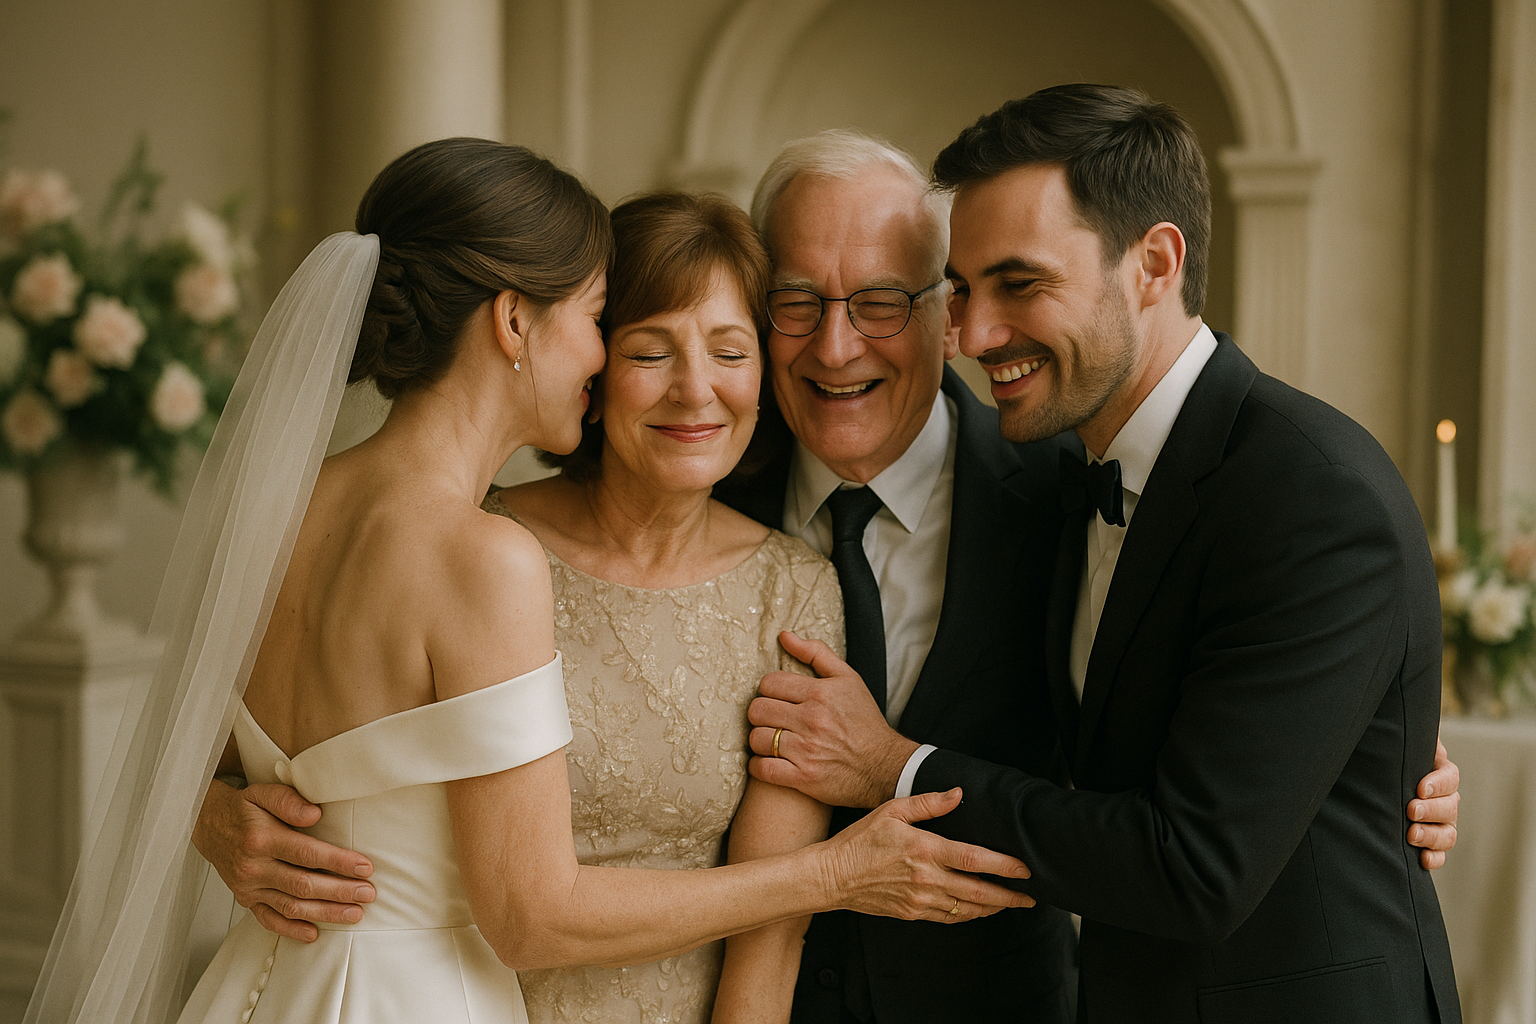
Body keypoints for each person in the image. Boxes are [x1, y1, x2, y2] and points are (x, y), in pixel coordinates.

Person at [189, 133, 1462, 1024]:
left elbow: (1196, 726)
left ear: (944, 310)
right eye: (795, 305)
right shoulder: (662, 475)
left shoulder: (1062, 490)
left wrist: (1370, 761)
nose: (836, 347)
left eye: (885, 301)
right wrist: (218, 814)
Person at [25, 139, 1036, 1024]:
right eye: (609, 325)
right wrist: (832, 873)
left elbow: (193, 740)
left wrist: (210, 800)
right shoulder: (491, 553)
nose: (598, 359)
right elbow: (530, 913)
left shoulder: (281, 503)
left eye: (728, 350)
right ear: (516, 322)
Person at [746, 88, 1461, 1023]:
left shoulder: (1305, 492)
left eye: (1019, 284)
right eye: (966, 290)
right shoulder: (1078, 473)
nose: (976, 333)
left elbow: (1200, 855)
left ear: (1155, 264)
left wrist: (891, 764)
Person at [480, 190, 844, 1023]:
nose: (695, 392)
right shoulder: (484, 544)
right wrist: (219, 815)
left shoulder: (793, 593)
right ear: (593, 375)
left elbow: (770, 933)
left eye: (729, 352)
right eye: (651, 353)